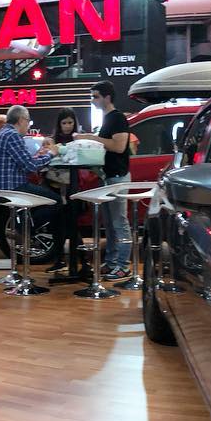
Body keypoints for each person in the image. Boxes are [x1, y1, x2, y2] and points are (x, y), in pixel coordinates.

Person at [74, 81, 133, 279]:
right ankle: (112, 262)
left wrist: (92, 138)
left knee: (119, 222)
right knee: (109, 224)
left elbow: (119, 147)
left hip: (117, 177)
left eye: (96, 96)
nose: (93, 100)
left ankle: (123, 265)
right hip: (109, 176)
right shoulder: (109, 119)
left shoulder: (117, 118)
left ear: (107, 97)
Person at [0, 105, 59, 252]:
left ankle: (23, 227)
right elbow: (30, 166)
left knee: (44, 196)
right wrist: (51, 154)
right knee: (57, 201)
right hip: (13, 188)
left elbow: (24, 161)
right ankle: (24, 230)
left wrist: (40, 156)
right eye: (28, 121)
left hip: (2, 188)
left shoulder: (3, 133)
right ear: (21, 120)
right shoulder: (12, 135)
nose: (28, 125)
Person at [44, 108, 83, 273]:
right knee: (56, 225)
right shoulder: (51, 141)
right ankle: (59, 260)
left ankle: (80, 262)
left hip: (72, 187)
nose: (67, 126)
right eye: (64, 123)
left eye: (70, 122)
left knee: (73, 225)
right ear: (59, 124)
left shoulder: (79, 140)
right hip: (54, 187)